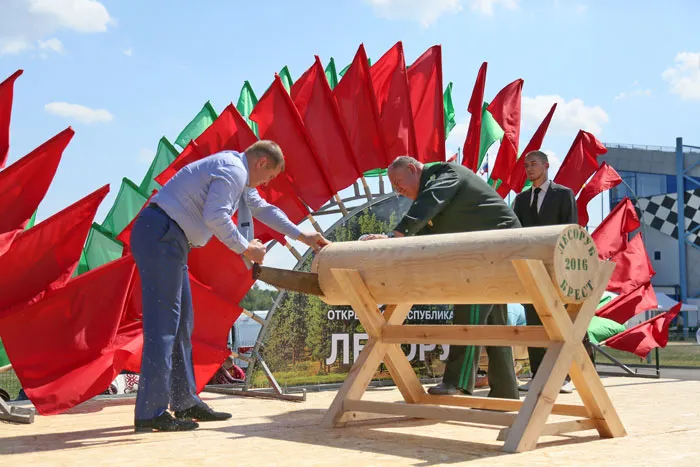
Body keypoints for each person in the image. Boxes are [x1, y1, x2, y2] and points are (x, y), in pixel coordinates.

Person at [130, 140, 330, 432]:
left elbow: (264, 209)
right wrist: (246, 248)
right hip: (161, 235)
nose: (265, 183)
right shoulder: (234, 170)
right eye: (269, 176)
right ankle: (150, 413)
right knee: (164, 326)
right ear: (261, 162)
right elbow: (216, 216)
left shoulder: (236, 171)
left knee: (182, 324)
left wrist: (303, 236)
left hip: (169, 238)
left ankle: (184, 401)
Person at [362, 156, 520, 399]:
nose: (398, 189)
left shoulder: (444, 174)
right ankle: (505, 392)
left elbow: (428, 203)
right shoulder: (434, 194)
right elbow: (425, 229)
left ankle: (456, 381)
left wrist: (395, 237)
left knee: (469, 307)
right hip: (488, 252)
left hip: (499, 247)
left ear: (414, 169)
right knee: (493, 325)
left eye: (398, 181)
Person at [512, 150, 577, 394]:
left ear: (546, 165)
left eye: (534, 164)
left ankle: (567, 377)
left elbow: (571, 230)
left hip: (557, 270)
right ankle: (538, 375)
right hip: (531, 271)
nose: (529, 168)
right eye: (526, 165)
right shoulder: (520, 199)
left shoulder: (563, 194)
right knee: (535, 325)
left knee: (562, 325)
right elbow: (516, 235)